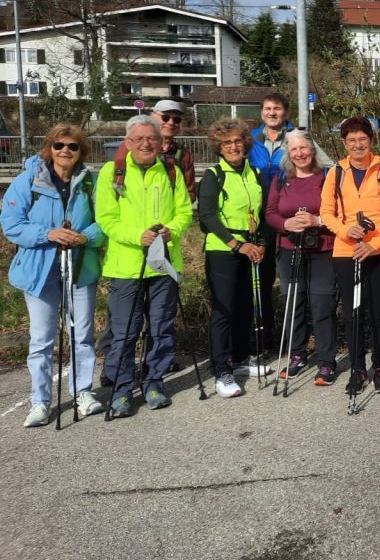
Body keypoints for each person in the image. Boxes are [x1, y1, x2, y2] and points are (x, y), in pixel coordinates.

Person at [0, 125, 106, 427]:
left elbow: (106, 222)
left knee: (81, 335)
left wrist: (84, 237)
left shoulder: (91, 181)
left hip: (80, 268)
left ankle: (83, 392)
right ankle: (41, 401)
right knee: (42, 338)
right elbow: (11, 224)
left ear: (81, 151)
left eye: (73, 146)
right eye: (59, 145)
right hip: (39, 270)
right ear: (49, 148)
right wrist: (49, 233)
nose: (65, 151)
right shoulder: (28, 181)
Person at [96, 115, 193, 417]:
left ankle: (154, 383)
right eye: (138, 139)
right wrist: (137, 236)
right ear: (128, 142)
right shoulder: (112, 172)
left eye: (151, 138)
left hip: (163, 264)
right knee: (125, 332)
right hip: (126, 266)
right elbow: (106, 218)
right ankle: (122, 389)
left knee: (161, 328)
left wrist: (171, 231)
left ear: (161, 142)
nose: (146, 144)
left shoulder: (171, 171)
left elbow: (184, 212)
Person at [321, 116, 380, 396]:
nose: (358, 145)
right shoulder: (336, 173)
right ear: (344, 143)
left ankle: (379, 368)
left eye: (363, 139)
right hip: (346, 251)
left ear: (371, 140)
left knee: (379, 312)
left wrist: (375, 244)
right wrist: (345, 230)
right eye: (352, 140)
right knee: (353, 313)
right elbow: (326, 212)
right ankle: (357, 369)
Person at [248, 92, 331, 356]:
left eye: (277, 108)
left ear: (285, 112)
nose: (272, 113)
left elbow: (328, 167)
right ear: (262, 112)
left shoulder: (298, 137)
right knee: (270, 286)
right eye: (268, 108)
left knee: (315, 297)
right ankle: (267, 343)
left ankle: (319, 351)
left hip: (303, 223)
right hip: (264, 219)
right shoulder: (251, 140)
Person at [198, 118, 270, 398]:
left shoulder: (255, 173)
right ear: (218, 146)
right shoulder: (214, 175)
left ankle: (239, 359)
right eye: (226, 143)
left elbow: (263, 212)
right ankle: (221, 370)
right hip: (223, 249)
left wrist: (260, 243)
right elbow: (207, 216)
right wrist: (236, 244)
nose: (233, 146)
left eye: (238, 141)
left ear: (246, 143)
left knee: (244, 306)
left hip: (250, 246)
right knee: (224, 309)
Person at [265, 130, 336, 384]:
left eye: (303, 148)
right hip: (289, 248)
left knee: (322, 304)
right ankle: (297, 354)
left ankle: (326, 361)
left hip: (323, 248)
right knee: (294, 302)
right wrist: (286, 224)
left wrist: (318, 220)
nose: (299, 153)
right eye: (294, 149)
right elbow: (270, 212)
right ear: (288, 153)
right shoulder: (281, 179)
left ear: (313, 149)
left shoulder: (327, 176)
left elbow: (341, 212)